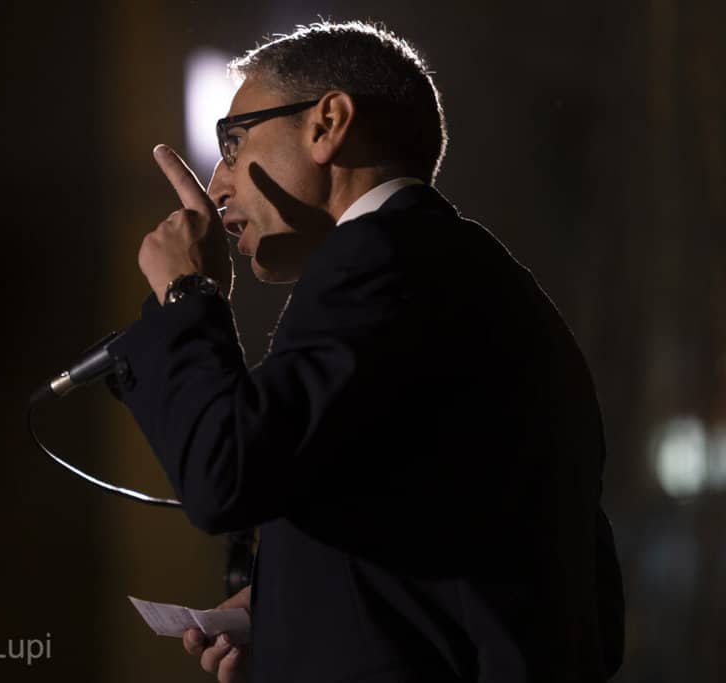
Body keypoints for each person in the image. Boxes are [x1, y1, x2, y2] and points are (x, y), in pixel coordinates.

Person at [106, 20, 625, 683]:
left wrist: (186, 294)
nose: (217, 187)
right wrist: (291, 613)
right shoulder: (463, 273)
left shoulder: (382, 258)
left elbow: (225, 469)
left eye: (233, 144)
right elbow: (448, 543)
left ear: (328, 124)